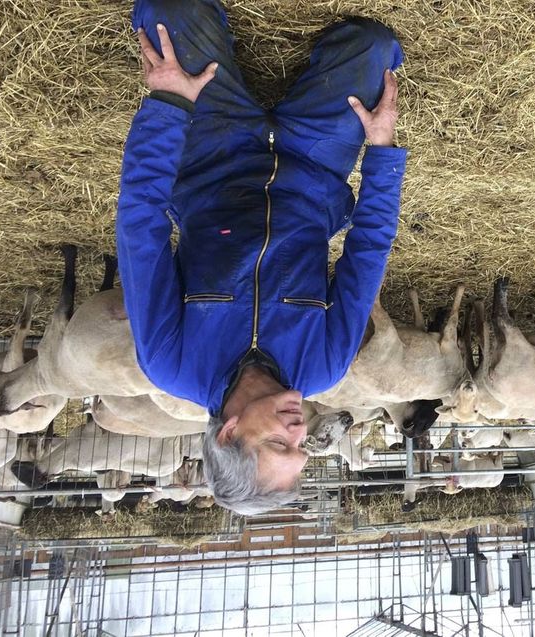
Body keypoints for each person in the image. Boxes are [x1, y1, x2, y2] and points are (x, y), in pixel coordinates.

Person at [115, 0, 406, 515]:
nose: (300, 432)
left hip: (214, 159)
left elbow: (141, 227)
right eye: (300, 450)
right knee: (373, 46)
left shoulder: (170, 362)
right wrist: (381, 151)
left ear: (229, 432)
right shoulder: (324, 366)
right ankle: (308, 84)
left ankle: (218, 57)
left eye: (279, 444)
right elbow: (368, 254)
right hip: (312, 167)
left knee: (169, 10)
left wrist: (169, 104)